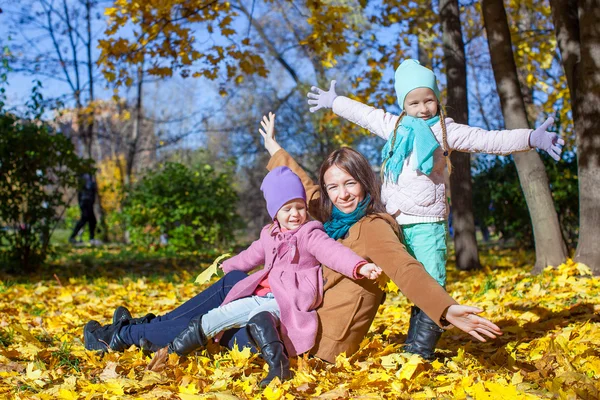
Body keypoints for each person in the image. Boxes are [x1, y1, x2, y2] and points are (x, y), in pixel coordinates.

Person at [83, 113, 502, 375]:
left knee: (225, 303)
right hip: (289, 316)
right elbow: (301, 188)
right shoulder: (331, 215)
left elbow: (406, 269)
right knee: (230, 283)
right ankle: (136, 329)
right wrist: (274, 149)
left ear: (366, 182)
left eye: (350, 183)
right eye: (334, 186)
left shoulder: (373, 226)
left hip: (309, 344)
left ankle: (126, 335)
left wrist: (445, 309)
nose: (341, 194)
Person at [306, 59, 563, 358]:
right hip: (393, 222)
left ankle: (418, 351)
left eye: (429, 99)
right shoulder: (395, 126)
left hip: (426, 221)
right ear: (404, 103)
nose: (423, 108)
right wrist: (334, 101)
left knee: (431, 282)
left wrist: (532, 137)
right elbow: (364, 114)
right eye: (414, 102)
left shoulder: (445, 131)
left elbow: (489, 140)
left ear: (437, 99)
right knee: (402, 276)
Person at [86, 166, 382, 386]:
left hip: (283, 307)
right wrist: (223, 268)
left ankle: (125, 336)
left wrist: (360, 266)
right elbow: (252, 255)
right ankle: (142, 327)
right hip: (262, 298)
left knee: (214, 319)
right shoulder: (270, 234)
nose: (295, 215)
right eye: (287, 209)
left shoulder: (310, 233)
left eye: (300, 208)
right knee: (235, 278)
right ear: (274, 214)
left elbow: (333, 253)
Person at [69, 172, 101, 245]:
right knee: (85, 219)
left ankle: (91, 238)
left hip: (89, 202)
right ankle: (73, 237)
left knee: (92, 220)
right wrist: (81, 203)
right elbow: (81, 191)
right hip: (85, 202)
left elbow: (93, 191)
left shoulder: (90, 176)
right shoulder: (83, 177)